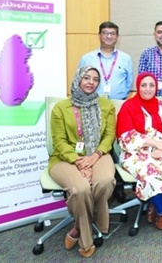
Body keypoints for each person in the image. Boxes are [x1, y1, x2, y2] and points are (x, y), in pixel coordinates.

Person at [49, 66, 116, 258]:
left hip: (98, 154)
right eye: (86, 77)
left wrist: (95, 157)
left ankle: (78, 225)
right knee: (80, 189)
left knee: (105, 182)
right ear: (78, 79)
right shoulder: (61, 108)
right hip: (66, 158)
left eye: (95, 79)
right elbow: (59, 141)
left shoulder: (106, 105)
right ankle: (86, 240)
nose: (90, 82)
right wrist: (79, 162)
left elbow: (109, 135)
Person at [116, 72, 162, 230]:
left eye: (151, 85)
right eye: (144, 85)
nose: (147, 89)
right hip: (135, 152)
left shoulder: (161, 105)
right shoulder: (128, 106)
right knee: (151, 174)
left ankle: (154, 200)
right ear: (138, 86)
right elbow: (126, 137)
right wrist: (154, 143)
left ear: (156, 87)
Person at [78, 21, 133, 100]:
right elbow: (79, 81)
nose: (109, 36)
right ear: (99, 35)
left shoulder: (126, 58)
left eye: (113, 33)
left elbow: (129, 83)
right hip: (93, 103)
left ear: (117, 36)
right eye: (105, 33)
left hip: (118, 103)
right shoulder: (87, 58)